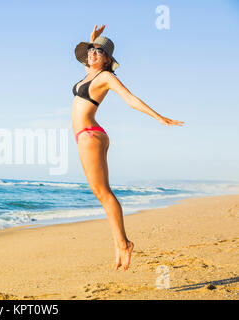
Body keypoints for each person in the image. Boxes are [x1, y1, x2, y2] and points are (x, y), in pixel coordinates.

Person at [72, 25, 184, 271]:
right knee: (101, 193)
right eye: (91, 51)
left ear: (108, 59)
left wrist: (158, 117)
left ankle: (124, 243)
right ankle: (119, 243)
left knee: (103, 193)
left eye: (98, 52)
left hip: (90, 135)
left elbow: (130, 98)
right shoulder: (90, 74)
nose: (92, 54)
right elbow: (88, 61)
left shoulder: (105, 77)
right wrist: (92, 41)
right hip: (86, 135)